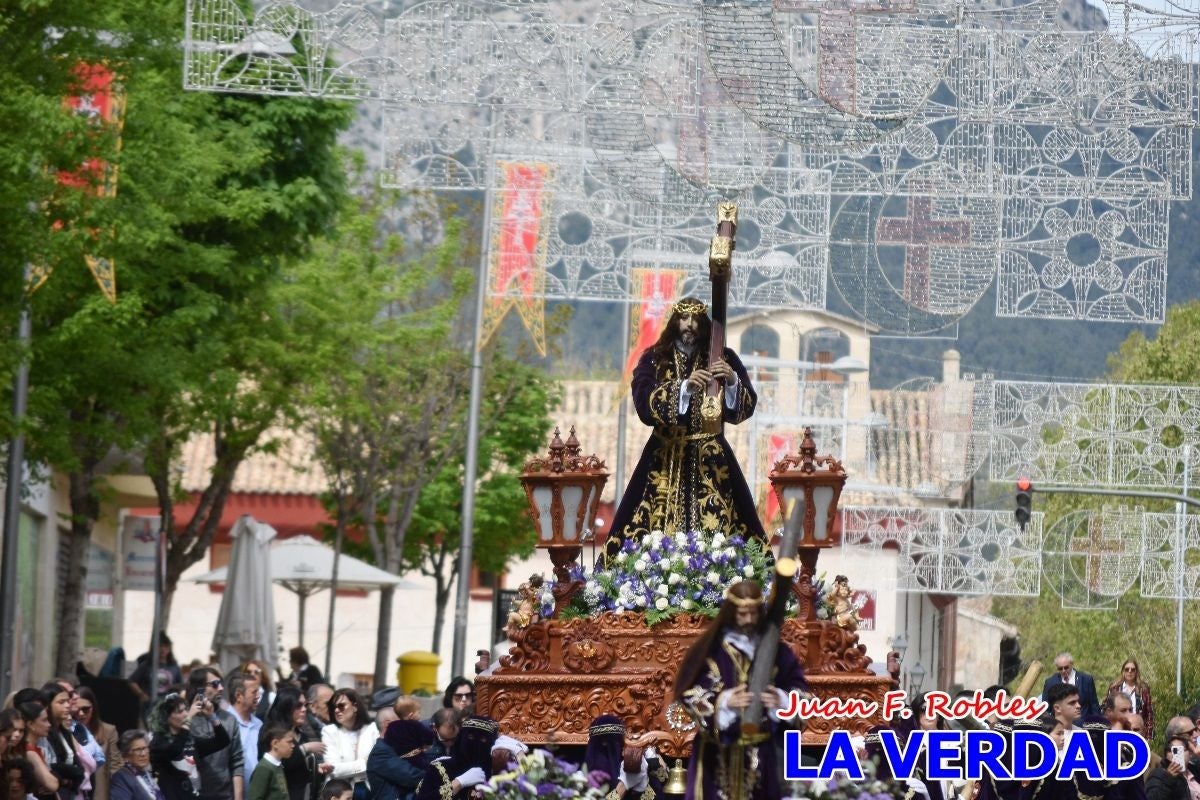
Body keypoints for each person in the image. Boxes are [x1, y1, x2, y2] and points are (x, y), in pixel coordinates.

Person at [602, 297, 765, 564]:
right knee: (644, 527)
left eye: (695, 320)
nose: (689, 325)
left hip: (710, 459)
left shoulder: (723, 358)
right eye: (683, 318)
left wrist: (733, 381)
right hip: (664, 457)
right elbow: (644, 404)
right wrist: (683, 389)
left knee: (729, 525)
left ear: (703, 324)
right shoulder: (655, 359)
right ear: (674, 322)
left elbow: (744, 409)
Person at [673, 580, 808, 800]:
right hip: (716, 755)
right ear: (731, 612)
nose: (749, 620)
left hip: (761, 754)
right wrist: (723, 702)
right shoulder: (711, 650)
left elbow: (801, 692)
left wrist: (784, 701)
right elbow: (687, 693)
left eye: (754, 613)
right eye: (743, 613)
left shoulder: (777, 651)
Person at [147, 692, 231, 800]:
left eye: (186, 710)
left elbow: (223, 741)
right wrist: (189, 718)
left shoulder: (189, 740)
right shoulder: (157, 742)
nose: (186, 714)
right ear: (166, 717)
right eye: (179, 711)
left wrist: (212, 716)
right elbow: (174, 750)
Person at [185, 668, 244, 800]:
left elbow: (237, 761)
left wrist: (238, 797)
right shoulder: (184, 718)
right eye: (215, 684)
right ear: (199, 688)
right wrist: (189, 717)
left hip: (224, 795)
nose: (221, 688)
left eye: (222, 683)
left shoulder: (229, 719)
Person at [412, 716, 495, 800]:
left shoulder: (497, 771)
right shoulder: (440, 767)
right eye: (470, 737)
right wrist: (458, 783)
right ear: (462, 738)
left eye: (483, 739)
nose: (477, 745)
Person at [263, 687, 323, 800]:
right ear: (286, 707)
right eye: (299, 706)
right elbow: (278, 763)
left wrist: (316, 767)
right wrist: (305, 748)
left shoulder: (300, 733)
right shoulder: (271, 731)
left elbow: (298, 766)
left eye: (305, 705)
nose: (304, 709)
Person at [320, 690, 377, 800]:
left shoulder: (372, 730)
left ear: (355, 707)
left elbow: (379, 763)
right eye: (333, 707)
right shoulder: (329, 731)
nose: (336, 710)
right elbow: (334, 770)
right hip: (340, 793)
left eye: (341, 706)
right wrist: (365, 764)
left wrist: (346, 767)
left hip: (369, 791)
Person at [582, 716, 652, 800]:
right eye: (604, 744)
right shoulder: (579, 780)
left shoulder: (630, 766)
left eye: (618, 744)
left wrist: (653, 758)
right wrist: (624, 784)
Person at [367, 721, 434, 800]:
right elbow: (409, 776)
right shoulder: (380, 752)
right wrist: (437, 775)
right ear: (388, 724)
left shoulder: (399, 747)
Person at [76, 687, 121, 800]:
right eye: (77, 709)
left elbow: (115, 767)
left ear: (93, 708)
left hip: (99, 794)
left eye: (85, 709)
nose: (81, 713)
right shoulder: (68, 731)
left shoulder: (108, 731)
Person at [1145, 716, 1199, 800]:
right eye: (1190, 732)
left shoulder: (1195, 769)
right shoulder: (1159, 775)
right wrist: (1168, 779)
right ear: (1176, 737)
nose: (1196, 735)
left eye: (1196, 730)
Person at [227, 675, 262, 791]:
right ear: (239, 696)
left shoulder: (259, 725)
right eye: (254, 692)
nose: (258, 696)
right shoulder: (224, 724)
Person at [1107, 658, 1154, 742]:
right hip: (1119, 728)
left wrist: (1149, 736)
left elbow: (1149, 713)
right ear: (1123, 671)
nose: (1129, 672)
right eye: (1127, 669)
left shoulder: (1143, 688)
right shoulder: (1114, 687)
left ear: (1136, 672)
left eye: (1133, 669)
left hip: (1137, 729)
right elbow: (1108, 709)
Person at [109, 731, 165, 800]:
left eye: (144, 748)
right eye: (138, 750)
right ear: (125, 756)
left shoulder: (145, 773)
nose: (143, 754)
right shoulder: (121, 777)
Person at [1041, 653, 1100, 717]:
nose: (1063, 671)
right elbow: (1045, 708)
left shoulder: (1086, 679)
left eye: (1066, 667)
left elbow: (1094, 706)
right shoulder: (1050, 682)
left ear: (1072, 664)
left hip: (1082, 723)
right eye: (1060, 668)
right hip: (1059, 724)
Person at [130, 635, 183, 705]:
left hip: (168, 705)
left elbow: (181, 686)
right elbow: (132, 681)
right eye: (160, 646)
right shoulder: (147, 665)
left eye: (166, 647)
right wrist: (141, 694)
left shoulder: (174, 667)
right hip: (149, 706)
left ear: (169, 649)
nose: (163, 649)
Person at [247, 726, 294, 800]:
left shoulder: (277, 765)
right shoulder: (264, 768)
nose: (293, 746)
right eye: (289, 742)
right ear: (275, 743)